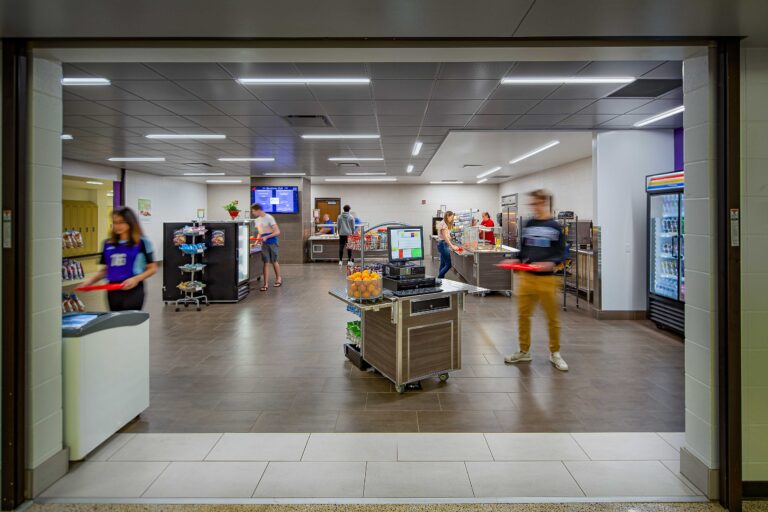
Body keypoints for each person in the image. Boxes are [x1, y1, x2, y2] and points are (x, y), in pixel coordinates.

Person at [504, 189, 568, 371]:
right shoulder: (529, 224)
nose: (533, 207)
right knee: (523, 316)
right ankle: (524, 351)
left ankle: (555, 353)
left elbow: (561, 254)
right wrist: (516, 259)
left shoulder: (555, 227)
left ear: (544, 203)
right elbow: (524, 249)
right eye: (531, 204)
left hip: (547, 280)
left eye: (536, 203)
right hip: (527, 279)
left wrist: (550, 263)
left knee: (552, 318)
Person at [81, 206, 157, 311]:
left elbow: (152, 268)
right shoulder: (107, 243)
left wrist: (136, 279)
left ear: (130, 222)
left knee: (130, 321)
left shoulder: (142, 242)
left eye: (121, 222)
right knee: (116, 323)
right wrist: (90, 281)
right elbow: (106, 270)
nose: (117, 226)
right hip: (113, 290)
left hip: (133, 289)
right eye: (115, 222)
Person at [251, 203, 282, 291]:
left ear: (258, 210)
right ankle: (265, 284)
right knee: (266, 262)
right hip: (263, 243)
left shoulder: (269, 217)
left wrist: (267, 237)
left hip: (272, 242)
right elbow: (260, 233)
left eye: (253, 211)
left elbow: (277, 232)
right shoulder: (257, 220)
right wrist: (256, 242)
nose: (253, 213)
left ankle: (278, 278)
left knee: (274, 261)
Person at [436, 211, 459, 279]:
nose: (451, 219)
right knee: (448, 265)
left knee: (442, 264)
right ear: (447, 216)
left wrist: (449, 237)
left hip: (442, 244)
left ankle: (441, 280)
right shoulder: (444, 224)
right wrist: (452, 246)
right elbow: (445, 237)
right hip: (443, 245)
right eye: (451, 217)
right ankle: (439, 278)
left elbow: (446, 236)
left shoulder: (443, 223)